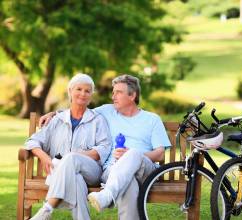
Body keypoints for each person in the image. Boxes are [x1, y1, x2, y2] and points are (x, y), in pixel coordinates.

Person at [40, 74, 171, 220]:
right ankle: (107, 196)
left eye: (118, 92)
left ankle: (107, 195)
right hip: (112, 171)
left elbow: (160, 154)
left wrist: (132, 155)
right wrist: (54, 113)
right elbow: (79, 109)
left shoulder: (152, 119)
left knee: (133, 154)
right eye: (113, 92)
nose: (113, 96)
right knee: (129, 184)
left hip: (144, 170)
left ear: (132, 95)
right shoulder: (107, 111)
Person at [25, 73, 112, 220]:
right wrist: (44, 157)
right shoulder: (57, 120)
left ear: (91, 95)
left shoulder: (98, 120)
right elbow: (32, 141)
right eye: (78, 89)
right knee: (76, 179)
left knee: (71, 158)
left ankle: (48, 208)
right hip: (67, 174)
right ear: (70, 91)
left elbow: (103, 148)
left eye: (87, 91)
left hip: (91, 172)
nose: (83, 94)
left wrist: (76, 156)